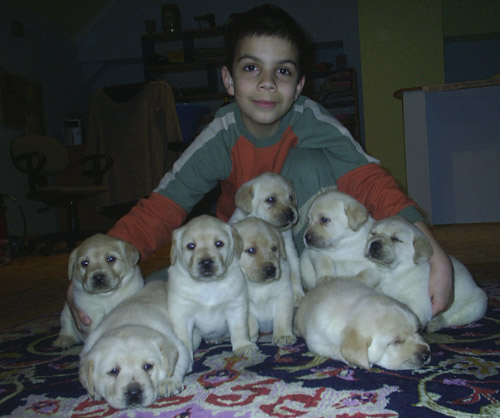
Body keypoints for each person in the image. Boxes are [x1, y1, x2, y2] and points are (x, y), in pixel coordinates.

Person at [68, 3, 453, 328]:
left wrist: (433, 253)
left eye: (282, 71)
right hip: (239, 249)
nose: (267, 83)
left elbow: (369, 180)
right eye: (252, 68)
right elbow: (163, 206)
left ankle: (319, 288)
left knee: (309, 161)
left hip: (304, 246)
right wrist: (97, 263)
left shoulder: (309, 119)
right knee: (163, 283)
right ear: (229, 80)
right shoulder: (220, 135)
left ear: (299, 85)